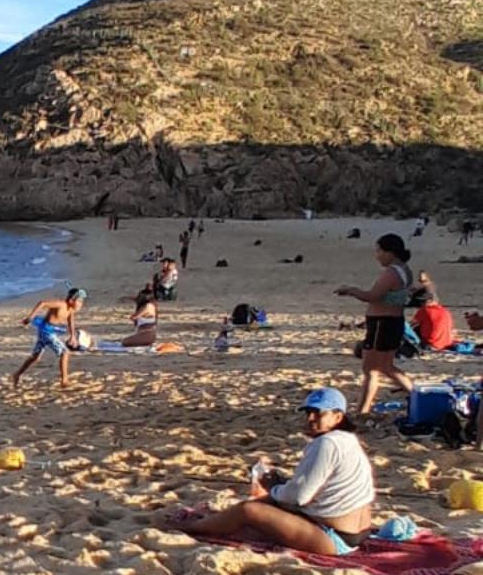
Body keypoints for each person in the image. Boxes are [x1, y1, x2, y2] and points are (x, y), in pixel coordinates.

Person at [176, 388, 374, 556]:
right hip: (357, 531)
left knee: (248, 510)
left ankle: (191, 527)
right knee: (265, 504)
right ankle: (212, 521)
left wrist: (274, 489)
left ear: (337, 416)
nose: (311, 419)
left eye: (318, 413)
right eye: (308, 413)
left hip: (334, 538)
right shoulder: (348, 440)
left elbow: (299, 497)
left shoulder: (327, 443)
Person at [334, 233, 414, 415]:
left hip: (382, 323)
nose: (377, 255)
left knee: (370, 369)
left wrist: (350, 290)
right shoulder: (405, 270)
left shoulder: (392, 272)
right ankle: (415, 392)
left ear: (390, 252)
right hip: (394, 322)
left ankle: (363, 410)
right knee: (387, 366)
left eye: (379, 251)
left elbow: (373, 296)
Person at [10, 288, 86, 389]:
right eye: (79, 301)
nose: (81, 304)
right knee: (65, 353)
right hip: (46, 330)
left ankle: (17, 374)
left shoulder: (70, 310)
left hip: (48, 331)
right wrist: (31, 317)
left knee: (35, 357)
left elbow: (70, 322)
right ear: (71, 300)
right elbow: (43, 303)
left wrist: (72, 336)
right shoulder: (61, 304)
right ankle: (64, 381)